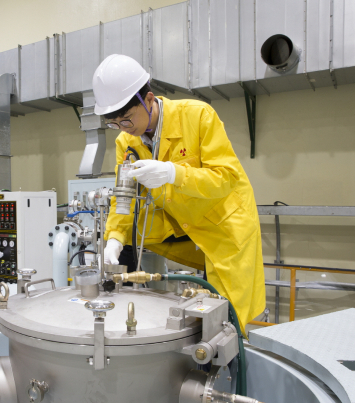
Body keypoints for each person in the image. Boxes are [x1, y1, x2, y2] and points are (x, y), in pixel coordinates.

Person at [93, 54, 265, 332]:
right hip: (182, 227)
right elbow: (123, 197)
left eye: (126, 119)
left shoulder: (198, 116)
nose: (124, 128)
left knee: (226, 323)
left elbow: (226, 178)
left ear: (148, 99)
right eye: (115, 124)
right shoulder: (126, 141)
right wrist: (114, 239)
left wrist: (175, 173)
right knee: (128, 243)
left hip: (224, 227)